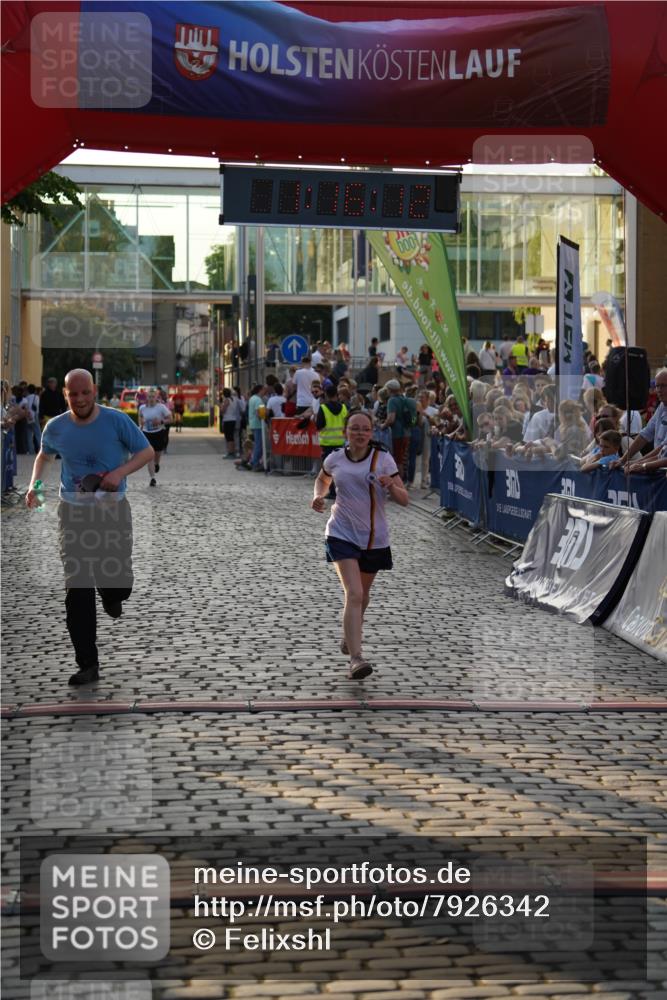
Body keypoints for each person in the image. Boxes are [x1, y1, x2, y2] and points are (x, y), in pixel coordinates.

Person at [25, 369, 153, 687]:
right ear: (66, 394)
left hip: (113, 511)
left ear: (94, 391)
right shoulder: (56, 427)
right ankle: (88, 664)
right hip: (73, 513)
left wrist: (118, 473)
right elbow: (44, 456)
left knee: (118, 582)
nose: (80, 400)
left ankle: (113, 594)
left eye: (85, 393)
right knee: (77, 588)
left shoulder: (116, 420)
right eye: (73, 394)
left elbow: (146, 451)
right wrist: (34, 485)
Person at [310, 410, 408, 680]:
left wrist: (391, 486)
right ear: (346, 432)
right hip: (341, 533)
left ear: (372, 433)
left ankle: (349, 635)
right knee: (353, 593)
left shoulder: (383, 460)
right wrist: (318, 495)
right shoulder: (335, 458)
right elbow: (323, 478)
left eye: (365, 429)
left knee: (362, 597)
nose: (360, 433)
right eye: (355, 429)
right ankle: (356, 658)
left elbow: (404, 499)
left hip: (374, 538)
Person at [613, 367, 667, 469]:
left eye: (663, 386)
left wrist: (640, 464)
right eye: (657, 386)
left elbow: (664, 448)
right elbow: (645, 434)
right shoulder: (662, 407)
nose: (659, 390)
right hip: (658, 466)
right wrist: (623, 460)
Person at [138, 389, 171, 487]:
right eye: (149, 397)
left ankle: (157, 464)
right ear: (147, 398)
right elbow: (140, 417)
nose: (151, 399)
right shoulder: (142, 408)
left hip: (159, 433)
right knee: (150, 456)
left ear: (156, 397)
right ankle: (152, 478)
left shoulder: (161, 407)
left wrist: (160, 422)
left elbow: (170, 419)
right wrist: (141, 423)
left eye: (153, 397)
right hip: (147, 433)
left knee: (157, 454)